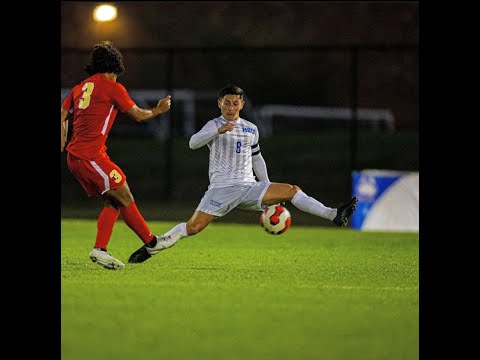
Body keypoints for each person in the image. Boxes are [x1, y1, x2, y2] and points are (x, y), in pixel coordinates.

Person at [128, 84, 358, 264]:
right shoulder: (214, 124)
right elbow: (192, 143)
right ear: (219, 104)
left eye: (235, 103)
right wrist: (218, 131)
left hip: (249, 187)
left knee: (292, 190)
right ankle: (156, 245)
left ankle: (333, 214)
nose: (230, 107)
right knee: (193, 228)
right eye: (226, 103)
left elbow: (257, 158)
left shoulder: (251, 128)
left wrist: (266, 187)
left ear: (241, 104)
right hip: (222, 188)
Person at [61, 40, 174, 270]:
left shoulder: (80, 87)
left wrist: (62, 141)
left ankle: (101, 249)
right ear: (115, 66)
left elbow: (62, 115)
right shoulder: (112, 87)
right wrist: (159, 109)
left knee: (113, 200)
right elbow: (139, 115)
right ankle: (151, 242)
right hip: (89, 155)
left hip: (77, 156)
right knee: (123, 191)